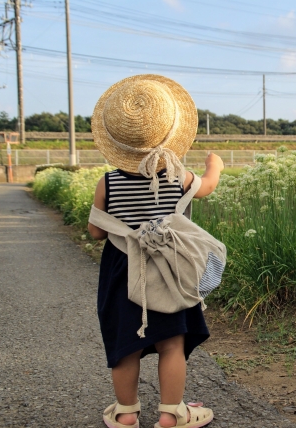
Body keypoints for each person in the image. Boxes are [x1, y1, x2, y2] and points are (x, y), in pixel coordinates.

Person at [87, 74, 223, 428]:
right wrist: (215, 167)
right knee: (172, 343)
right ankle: (171, 413)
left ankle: (126, 413)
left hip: (123, 270)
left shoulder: (108, 182)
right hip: (170, 269)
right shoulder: (178, 176)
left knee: (125, 346)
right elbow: (206, 188)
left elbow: (95, 231)